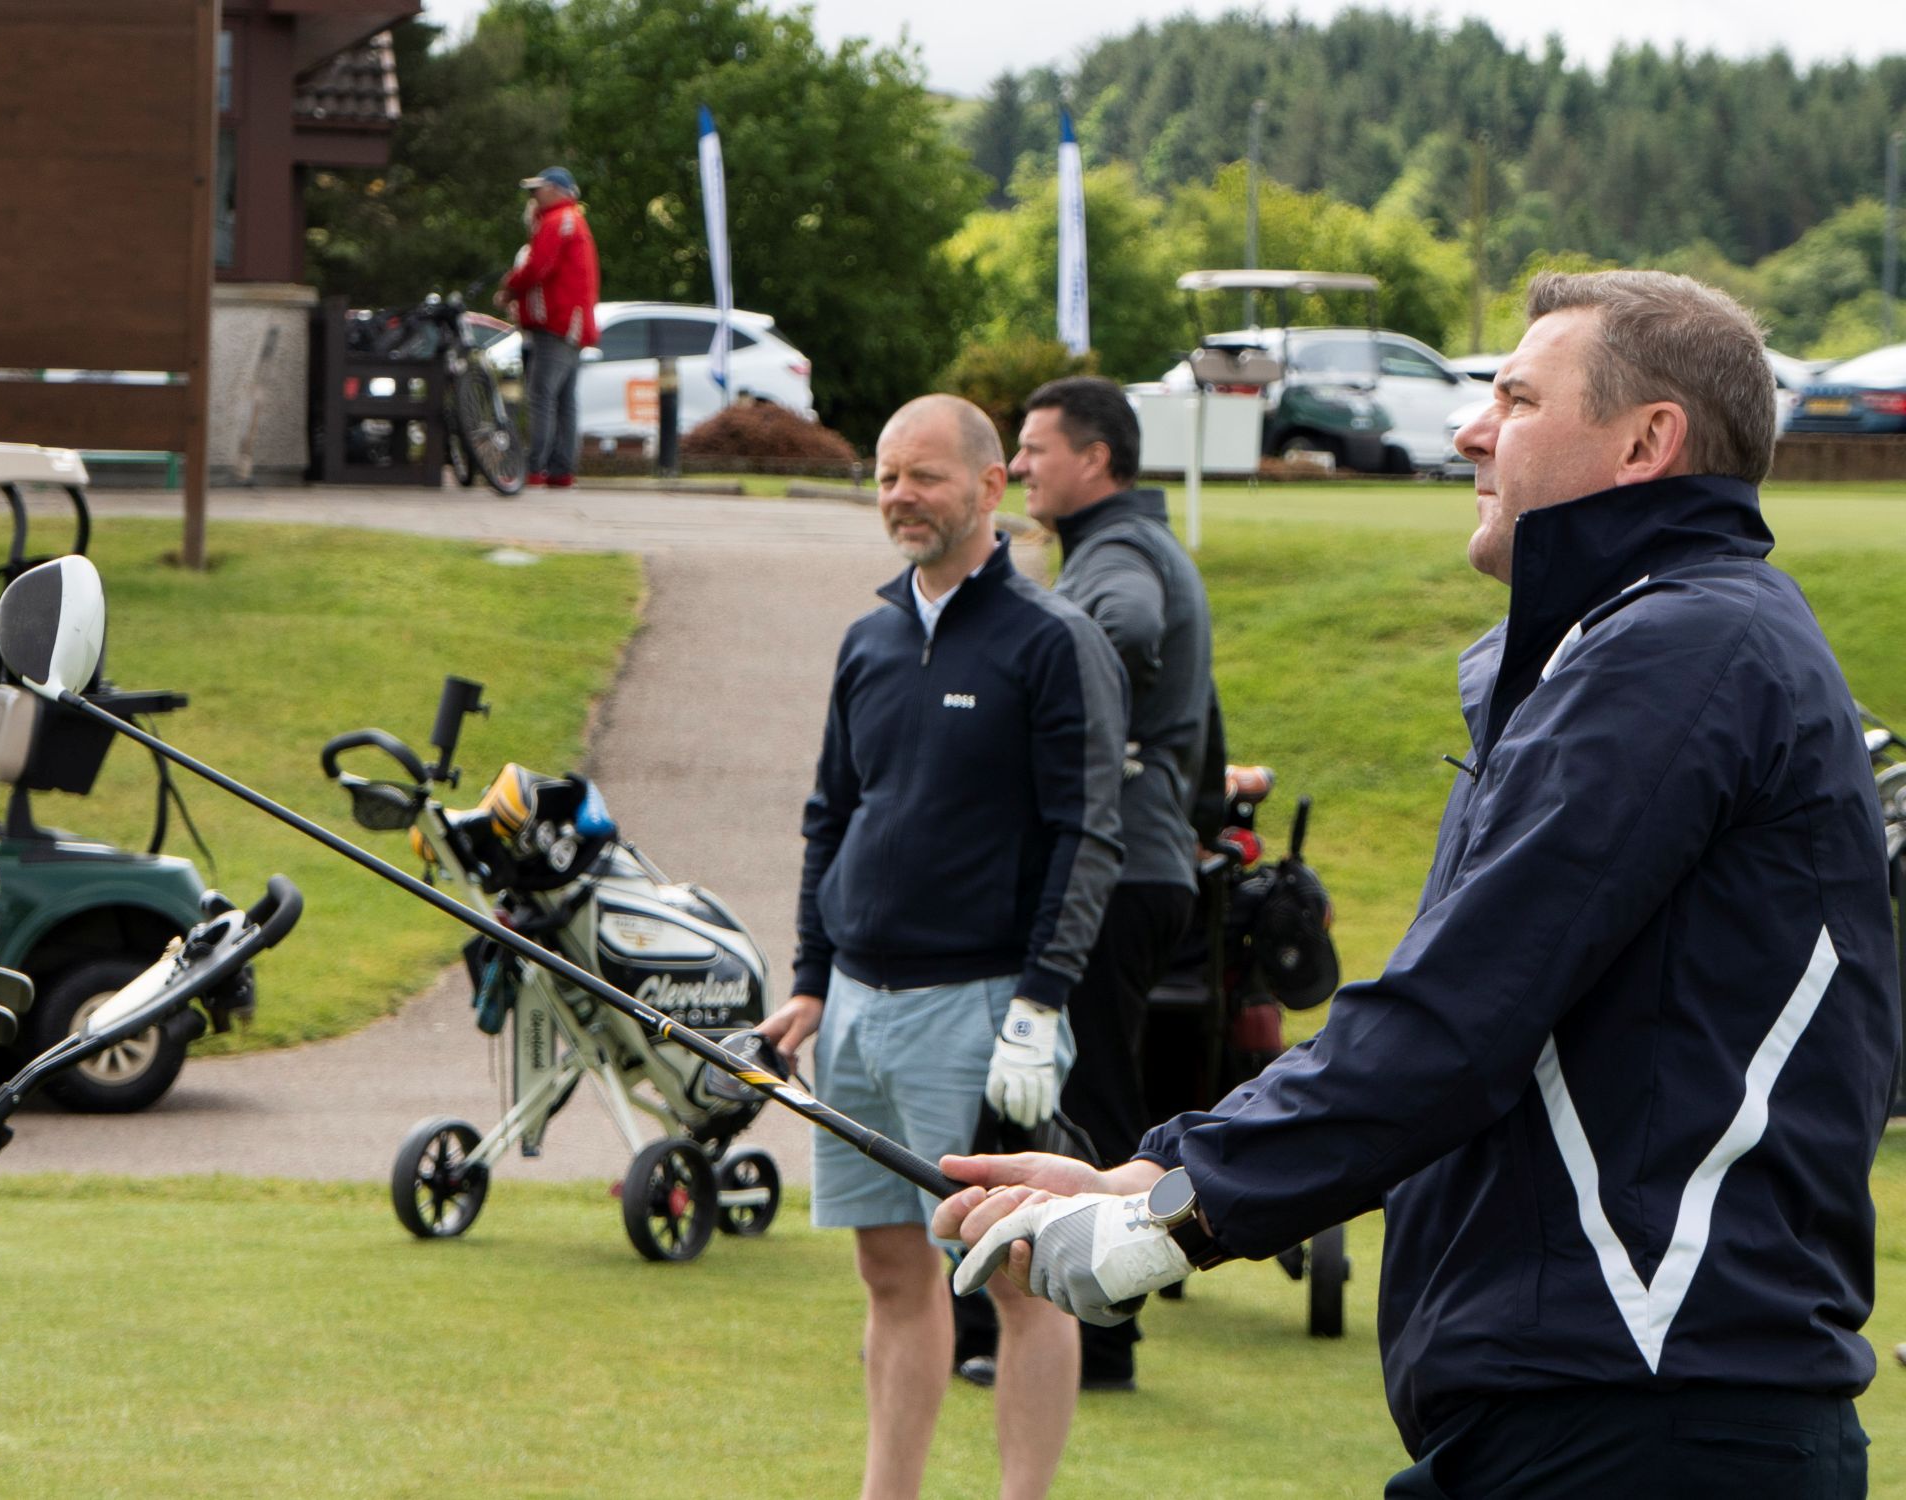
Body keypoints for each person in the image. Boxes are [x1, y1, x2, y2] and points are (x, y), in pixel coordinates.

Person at [933, 270, 1899, 1496]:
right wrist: (1151, 1173)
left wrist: (1174, 1214)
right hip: (1592, 1412)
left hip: (1652, 1419)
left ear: (1645, 440)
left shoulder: (1687, 647)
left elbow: (1456, 1019)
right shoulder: (1633, 647)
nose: (1466, 428)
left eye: (1514, 395)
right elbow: (1456, 1025)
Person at [756, 393, 1129, 1500]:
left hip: (976, 1008)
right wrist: (813, 981)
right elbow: (834, 815)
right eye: (883, 477)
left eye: (922, 477)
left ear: (987, 487)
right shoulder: (867, 639)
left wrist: (1040, 1001)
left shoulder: (1051, 640)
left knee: (1015, 1277)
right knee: (886, 1267)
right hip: (859, 1009)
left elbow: (1085, 834)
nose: (899, 498)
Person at [951, 375, 1222, 1396]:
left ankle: (1100, 1342)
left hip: (1114, 869)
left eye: (1034, 449)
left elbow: (1126, 631)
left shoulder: (1116, 560)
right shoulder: (1136, 544)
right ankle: (1038, 1315)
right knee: (1088, 1093)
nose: (1018, 468)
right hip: (1147, 863)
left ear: (1095, 460)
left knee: (1092, 1100)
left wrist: (1027, 692)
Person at [498, 166, 598, 490]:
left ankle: (536, 467)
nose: (533, 197)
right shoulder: (573, 221)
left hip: (555, 321)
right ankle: (562, 469)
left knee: (541, 396)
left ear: (555, 190)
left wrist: (510, 287)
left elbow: (537, 266)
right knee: (565, 399)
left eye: (538, 190)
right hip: (572, 324)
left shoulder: (557, 222)